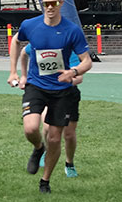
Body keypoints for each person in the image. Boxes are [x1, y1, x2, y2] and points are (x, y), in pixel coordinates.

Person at [7, 0, 92, 194]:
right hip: (36, 85)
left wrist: (73, 72)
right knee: (30, 128)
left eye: (54, 3)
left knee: (54, 138)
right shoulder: (30, 25)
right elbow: (16, 42)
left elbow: (87, 61)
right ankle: (38, 148)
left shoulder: (72, 30)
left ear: (61, 3)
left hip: (61, 90)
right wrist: (14, 72)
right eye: (46, 4)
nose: (50, 7)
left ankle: (45, 181)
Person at [19, 44, 82, 178]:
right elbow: (23, 52)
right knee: (48, 127)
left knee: (69, 134)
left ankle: (69, 163)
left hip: (67, 94)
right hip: (46, 93)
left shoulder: (68, 49)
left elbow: (79, 78)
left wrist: (64, 81)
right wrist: (24, 76)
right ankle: (45, 152)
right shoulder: (38, 44)